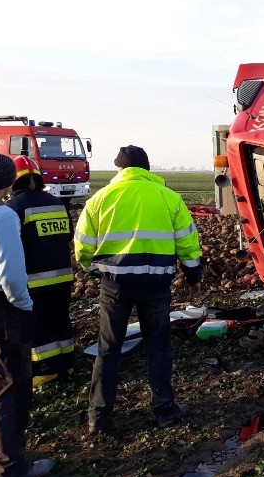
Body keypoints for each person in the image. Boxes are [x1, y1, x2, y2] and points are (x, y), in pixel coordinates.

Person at [74, 146, 202, 433]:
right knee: (158, 345)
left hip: (115, 286)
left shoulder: (100, 199)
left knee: (108, 349)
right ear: (146, 169)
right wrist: (193, 275)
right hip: (156, 285)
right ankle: (165, 410)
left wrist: (94, 270)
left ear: (120, 169)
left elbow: (82, 246)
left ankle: (98, 417)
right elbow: (187, 242)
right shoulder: (169, 197)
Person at [0, 154, 53, 477]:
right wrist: (24, 307)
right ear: (6, 181)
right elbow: (13, 277)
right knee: (9, 387)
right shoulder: (2, 215)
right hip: (2, 311)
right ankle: (11, 467)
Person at [6, 156, 75, 387]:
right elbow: (67, 237)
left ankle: (47, 371)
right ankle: (67, 363)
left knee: (39, 326)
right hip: (63, 276)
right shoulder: (58, 204)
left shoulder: (13, 208)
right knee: (60, 319)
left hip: (34, 280)